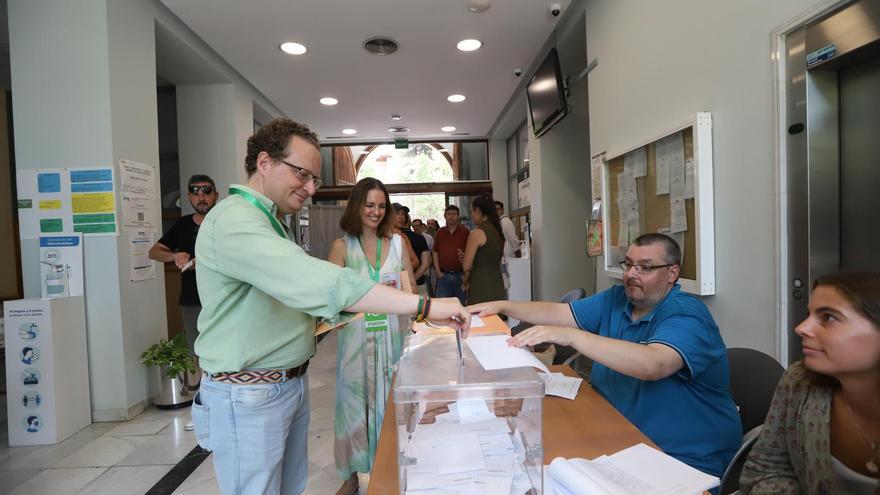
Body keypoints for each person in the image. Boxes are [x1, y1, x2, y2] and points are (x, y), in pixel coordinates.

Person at [192, 118, 470, 495]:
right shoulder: (236, 221)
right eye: (302, 174)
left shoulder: (271, 221)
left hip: (281, 384)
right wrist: (423, 306)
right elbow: (322, 282)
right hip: (249, 394)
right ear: (264, 163)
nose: (309, 188)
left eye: (314, 180)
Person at [468, 233, 741, 478]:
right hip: (623, 438)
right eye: (628, 264)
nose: (632, 274)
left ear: (672, 273)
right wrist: (503, 305)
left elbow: (654, 363)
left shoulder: (686, 314)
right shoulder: (618, 298)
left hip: (680, 458)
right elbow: (560, 313)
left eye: (645, 267)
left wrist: (572, 336)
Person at [740, 273, 880, 494]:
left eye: (828, 317)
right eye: (809, 314)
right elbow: (765, 470)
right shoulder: (799, 382)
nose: (801, 328)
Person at [328, 179, 416, 494]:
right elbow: (331, 298)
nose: (376, 212)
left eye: (381, 205)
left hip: (392, 339)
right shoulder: (342, 247)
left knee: (393, 403)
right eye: (369, 205)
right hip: (355, 340)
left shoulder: (397, 243)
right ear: (356, 206)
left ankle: (390, 469)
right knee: (353, 406)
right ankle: (351, 474)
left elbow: (411, 292)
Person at [149, 174, 218, 369]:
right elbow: (154, 252)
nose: (201, 196)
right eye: (195, 192)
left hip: (222, 298)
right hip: (191, 300)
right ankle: (203, 395)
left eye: (207, 191)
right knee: (196, 352)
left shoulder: (224, 223)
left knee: (224, 348)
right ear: (189, 196)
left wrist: (205, 262)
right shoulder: (183, 224)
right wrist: (176, 257)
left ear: (216, 195)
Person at [462, 196, 507, 305]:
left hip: (481, 285)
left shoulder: (477, 233)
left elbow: (466, 266)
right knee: (496, 320)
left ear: (477, 210)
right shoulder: (497, 231)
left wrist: (466, 259)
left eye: (471, 211)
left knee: (481, 320)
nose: (471, 215)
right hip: (497, 283)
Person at [432, 205, 470, 303]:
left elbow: (470, 252)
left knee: (460, 306)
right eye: (449, 214)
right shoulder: (440, 232)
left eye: (454, 214)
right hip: (443, 276)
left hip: (460, 276)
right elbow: (435, 251)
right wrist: (437, 270)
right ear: (445, 216)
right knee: (442, 307)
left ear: (458, 216)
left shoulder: (465, 232)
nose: (451, 217)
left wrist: (466, 274)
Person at [395, 206, 430, 297]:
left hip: (407, 284)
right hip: (398, 285)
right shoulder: (383, 237)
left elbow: (421, 263)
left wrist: (409, 281)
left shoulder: (403, 237)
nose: (401, 217)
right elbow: (424, 264)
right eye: (397, 213)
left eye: (403, 214)